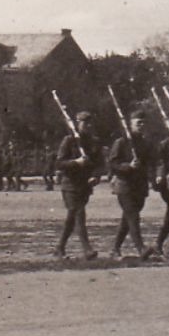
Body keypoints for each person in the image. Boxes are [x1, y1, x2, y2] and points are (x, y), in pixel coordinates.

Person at [53, 111, 103, 259]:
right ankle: (87, 249)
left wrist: (95, 176)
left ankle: (59, 248)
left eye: (89, 123)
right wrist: (76, 162)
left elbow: (99, 164)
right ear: (77, 123)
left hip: (85, 185)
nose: (87, 126)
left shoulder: (94, 142)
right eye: (84, 122)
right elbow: (59, 163)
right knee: (79, 213)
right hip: (70, 185)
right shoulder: (69, 141)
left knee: (72, 216)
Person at [108, 112, 154, 260]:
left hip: (140, 186)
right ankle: (141, 248)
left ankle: (115, 249)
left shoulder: (146, 143)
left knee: (127, 219)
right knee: (133, 216)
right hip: (124, 186)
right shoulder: (121, 142)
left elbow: (150, 163)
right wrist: (128, 166)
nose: (141, 126)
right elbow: (113, 164)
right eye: (138, 123)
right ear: (130, 124)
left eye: (143, 123)